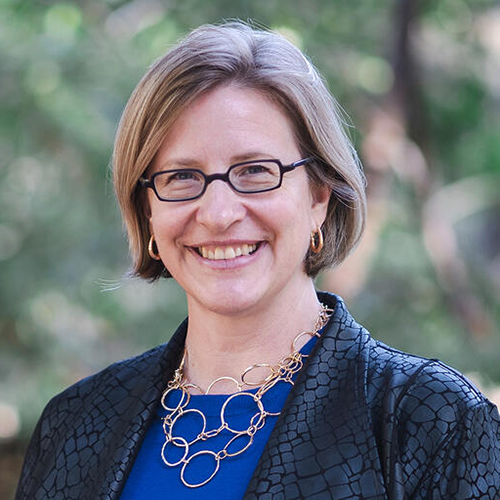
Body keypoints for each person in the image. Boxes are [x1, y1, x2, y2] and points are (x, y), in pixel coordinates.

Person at [16, 21, 500, 500]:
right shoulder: (74, 424)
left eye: (255, 171)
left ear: (320, 196)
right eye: (182, 176)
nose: (220, 213)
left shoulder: (434, 421)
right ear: (147, 208)